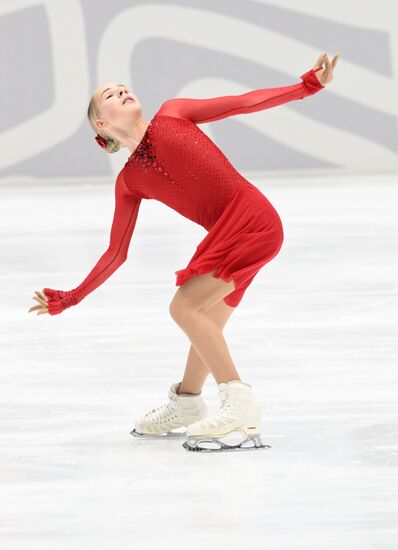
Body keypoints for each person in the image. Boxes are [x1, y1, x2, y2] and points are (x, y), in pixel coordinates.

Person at [28, 51, 339, 452]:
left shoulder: (173, 113)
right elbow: (115, 252)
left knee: (184, 309)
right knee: (203, 317)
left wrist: (306, 86)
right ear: (101, 124)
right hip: (228, 233)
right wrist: (73, 296)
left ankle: (240, 406)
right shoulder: (129, 181)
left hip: (251, 219)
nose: (121, 89)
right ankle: (188, 403)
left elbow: (243, 103)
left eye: (123, 86)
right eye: (109, 93)